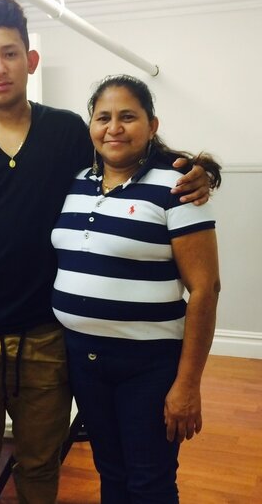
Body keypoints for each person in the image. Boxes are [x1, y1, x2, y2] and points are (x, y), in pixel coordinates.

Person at [0, 0, 217, 504]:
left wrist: (197, 169)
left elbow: (124, 152)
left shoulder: (67, 131)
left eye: (10, 53)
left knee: (40, 467)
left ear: (31, 60)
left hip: (48, 340)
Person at [51, 74, 221, 504]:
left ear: (152, 124)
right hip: (83, 360)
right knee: (111, 472)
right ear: (90, 126)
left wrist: (188, 384)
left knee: (150, 482)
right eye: (103, 117)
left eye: (128, 116)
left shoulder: (176, 187)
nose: (114, 128)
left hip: (148, 366)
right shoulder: (75, 184)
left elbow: (205, 289)